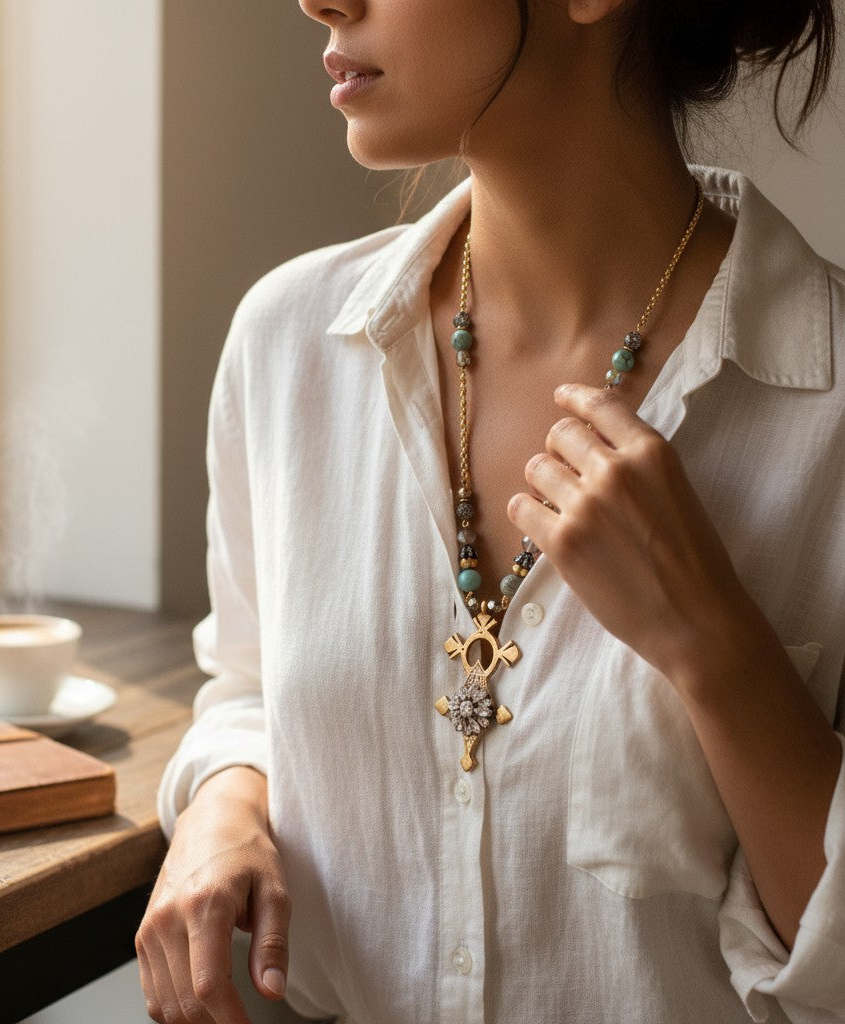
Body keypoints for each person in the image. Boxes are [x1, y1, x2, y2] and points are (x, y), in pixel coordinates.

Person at [136, 1, 845, 1021]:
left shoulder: (824, 412)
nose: (318, 0)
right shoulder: (287, 347)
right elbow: (247, 685)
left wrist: (713, 647)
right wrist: (224, 801)